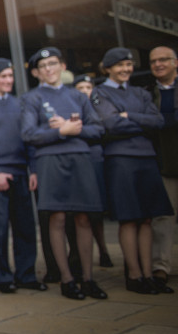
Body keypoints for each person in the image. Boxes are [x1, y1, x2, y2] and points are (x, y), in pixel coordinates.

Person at [20, 48, 107, 300]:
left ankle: (88, 279)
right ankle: (67, 279)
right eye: (43, 65)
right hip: (50, 161)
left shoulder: (77, 96)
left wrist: (72, 130)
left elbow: (97, 129)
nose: (49, 69)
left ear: (62, 66)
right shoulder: (32, 98)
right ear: (36, 71)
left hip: (80, 158)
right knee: (56, 219)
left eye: (53, 63)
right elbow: (28, 134)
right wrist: (59, 133)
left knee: (84, 219)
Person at [92, 47, 171, 294]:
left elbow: (158, 121)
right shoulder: (100, 92)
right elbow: (111, 124)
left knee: (147, 217)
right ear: (107, 68)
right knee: (129, 218)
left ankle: (149, 275)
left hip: (146, 159)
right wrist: (139, 122)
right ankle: (134, 277)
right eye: (119, 66)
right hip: (121, 160)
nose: (125, 70)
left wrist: (129, 116)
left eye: (128, 65)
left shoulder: (140, 92)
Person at [0, 58, 45, 294]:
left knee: (25, 227)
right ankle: (3, 277)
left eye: (10, 76)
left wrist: (32, 168)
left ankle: (26, 274)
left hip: (21, 173)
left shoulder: (19, 104)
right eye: (3, 77)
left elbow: (29, 139)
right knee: (0, 229)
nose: (8, 81)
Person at [72, 74, 113, 269]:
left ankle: (103, 250)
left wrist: (76, 130)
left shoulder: (100, 107)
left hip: (98, 159)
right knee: (82, 212)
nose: (85, 91)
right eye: (81, 88)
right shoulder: (72, 107)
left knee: (97, 211)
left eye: (88, 87)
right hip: (79, 160)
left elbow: (102, 130)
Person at [149, 46, 178, 293]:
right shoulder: (148, 94)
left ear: (175, 62)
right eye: (153, 61)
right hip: (165, 164)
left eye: (163, 60)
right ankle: (161, 267)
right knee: (163, 218)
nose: (158, 64)